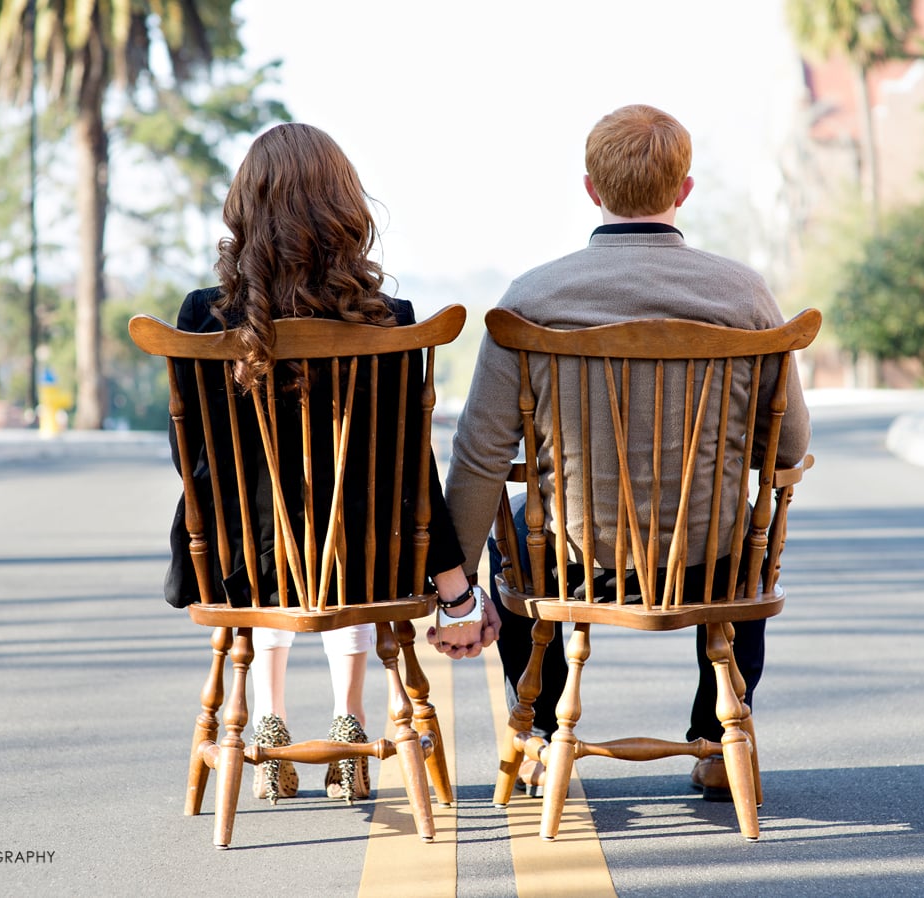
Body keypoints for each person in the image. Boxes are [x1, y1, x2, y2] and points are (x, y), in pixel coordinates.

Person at [435, 104, 811, 800]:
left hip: (575, 561)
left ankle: (540, 733)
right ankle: (715, 739)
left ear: (591, 189)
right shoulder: (744, 295)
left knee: (515, 526)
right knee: (746, 533)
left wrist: (453, 586)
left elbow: (482, 453)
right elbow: (789, 446)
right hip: (707, 563)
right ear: (684, 190)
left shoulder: (532, 298)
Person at [162, 123, 493, 806]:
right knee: (348, 534)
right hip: (363, 567)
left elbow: (189, 461)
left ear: (243, 209)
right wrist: (458, 594)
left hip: (238, 568)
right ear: (345, 209)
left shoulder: (203, 317)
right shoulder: (388, 320)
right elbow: (411, 473)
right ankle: (350, 721)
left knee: (267, 545)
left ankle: (267, 723)